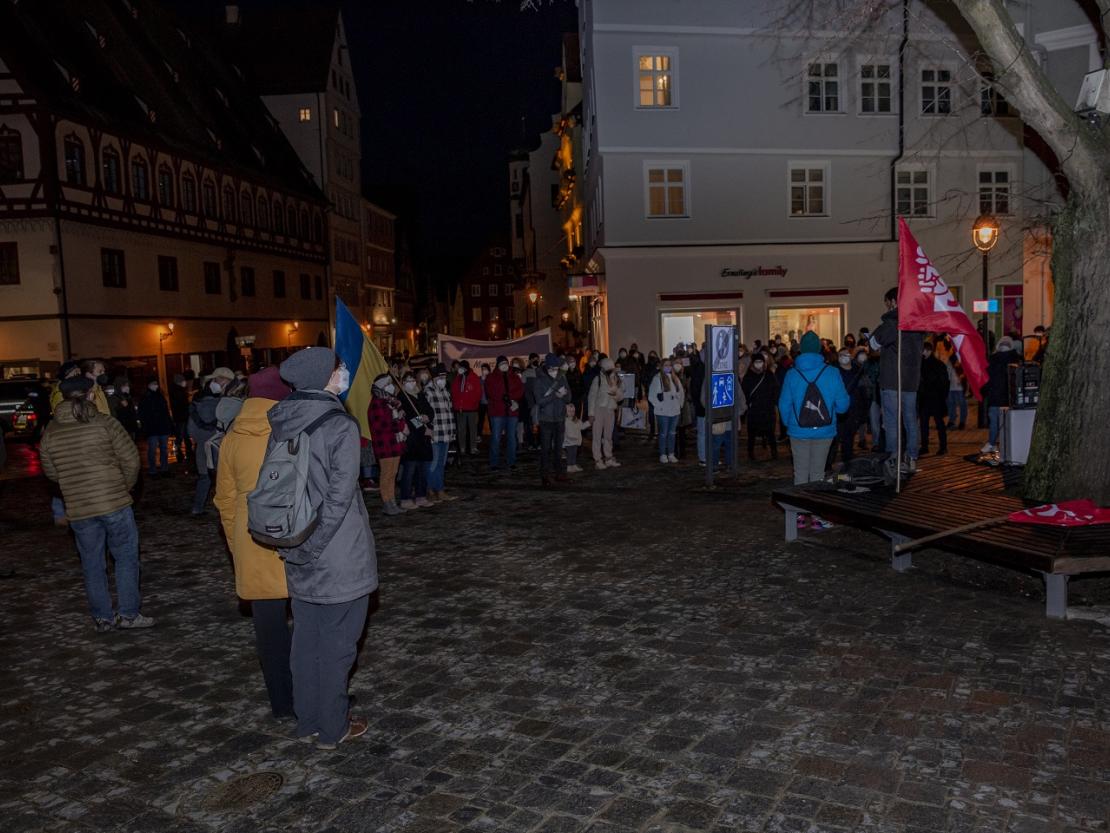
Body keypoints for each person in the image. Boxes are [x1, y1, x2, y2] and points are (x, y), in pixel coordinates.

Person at [268, 347, 376, 749]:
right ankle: (334, 727)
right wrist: (314, 547)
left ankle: (308, 720)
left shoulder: (282, 419)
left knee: (306, 640)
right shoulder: (339, 425)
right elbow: (339, 497)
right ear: (324, 376)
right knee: (337, 644)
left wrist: (298, 548)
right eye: (338, 367)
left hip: (294, 545)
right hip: (335, 553)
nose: (344, 371)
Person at [213, 366, 295, 722]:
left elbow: (225, 501)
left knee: (270, 633)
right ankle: (315, 695)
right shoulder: (292, 431)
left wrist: (237, 546)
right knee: (310, 627)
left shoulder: (233, 437)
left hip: (253, 540)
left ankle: (282, 703)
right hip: (296, 538)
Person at [40, 375, 152, 632]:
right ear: (90, 394)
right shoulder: (105, 423)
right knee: (125, 557)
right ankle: (129, 614)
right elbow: (132, 460)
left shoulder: (51, 432)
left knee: (91, 563)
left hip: (79, 508)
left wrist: (73, 484)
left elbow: (51, 472)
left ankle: (103, 618)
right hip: (114, 502)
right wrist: (125, 486)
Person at [778, 332, 849, 527]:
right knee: (818, 472)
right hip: (824, 431)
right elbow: (843, 405)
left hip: (798, 431)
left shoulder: (792, 373)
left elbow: (784, 403)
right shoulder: (832, 372)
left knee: (800, 472)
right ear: (819, 349)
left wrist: (788, 423)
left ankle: (800, 515)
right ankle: (818, 517)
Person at [870, 287, 924, 472]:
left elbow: (873, 343)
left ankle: (893, 457)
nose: (886, 307)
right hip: (911, 380)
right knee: (910, 419)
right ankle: (911, 457)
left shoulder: (892, 323)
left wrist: (887, 319)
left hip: (892, 380)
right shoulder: (916, 323)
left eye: (887, 303)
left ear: (893, 301)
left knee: (892, 420)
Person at [188, 367, 235, 515]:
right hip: (216, 445)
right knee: (219, 478)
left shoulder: (197, 401)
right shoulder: (219, 402)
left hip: (205, 446)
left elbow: (192, 429)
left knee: (205, 477)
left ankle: (198, 507)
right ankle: (224, 508)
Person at [368, 373, 408, 516]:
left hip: (394, 443)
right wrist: (398, 423)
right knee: (386, 474)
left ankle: (392, 501)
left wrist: (400, 420)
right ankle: (387, 502)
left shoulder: (391, 402)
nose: (391, 386)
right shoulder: (377, 403)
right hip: (384, 444)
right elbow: (382, 425)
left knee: (393, 474)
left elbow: (399, 420)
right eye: (387, 384)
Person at [533, 353, 572, 486]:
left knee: (558, 448)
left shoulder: (562, 377)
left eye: (557, 368)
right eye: (553, 369)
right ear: (548, 368)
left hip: (560, 418)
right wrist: (555, 395)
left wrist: (563, 396)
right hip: (546, 420)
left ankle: (559, 473)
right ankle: (545, 475)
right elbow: (540, 401)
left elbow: (569, 398)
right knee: (546, 449)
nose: (555, 371)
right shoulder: (539, 380)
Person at [397, 371, 434, 509]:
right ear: (403, 382)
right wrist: (420, 420)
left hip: (424, 440)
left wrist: (427, 418)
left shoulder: (420, 395)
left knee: (423, 470)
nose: (411, 382)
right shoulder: (401, 398)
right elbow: (406, 420)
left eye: (413, 380)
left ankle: (421, 495)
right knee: (409, 470)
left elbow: (430, 411)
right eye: (408, 380)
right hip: (412, 440)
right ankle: (405, 497)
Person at [424, 363, 458, 502]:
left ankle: (435, 488)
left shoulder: (445, 392)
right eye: (441, 376)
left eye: (445, 376)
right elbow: (423, 413)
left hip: (446, 433)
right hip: (435, 433)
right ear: (435, 377)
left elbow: (449, 413)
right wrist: (426, 429)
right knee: (434, 463)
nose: (443, 379)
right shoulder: (428, 391)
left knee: (441, 464)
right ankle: (434, 489)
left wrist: (452, 432)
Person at [484, 355, 524, 472]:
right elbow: (491, 392)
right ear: (498, 365)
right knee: (496, 437)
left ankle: (511, 461)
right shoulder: (491, 377)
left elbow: (520, 390)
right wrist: (505, 399)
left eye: (506, 363)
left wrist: (511, 399)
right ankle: (494, 462)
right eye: (502, 364)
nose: (504, 366)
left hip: (512, 412)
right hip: (497, 412)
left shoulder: (515, 377)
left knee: (511, 437)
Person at [981, 336, 1017, 454]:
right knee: (1007, 424)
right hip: (1009, 398)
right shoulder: (1016, 359)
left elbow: (986, 379)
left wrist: (985, 391)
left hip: (995, 397)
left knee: (994, 422)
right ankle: (1004, 445)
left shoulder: (992, 360)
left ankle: (992, 443)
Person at [740, 352, 778, 461]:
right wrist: (748, 403)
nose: (758, 364)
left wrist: (773, 402)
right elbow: (744, 391)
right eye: (756, 362)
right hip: (754, 409)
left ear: (764, 363)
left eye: (760, 362)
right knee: (752, 432)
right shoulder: (749, 376)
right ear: (753, 363)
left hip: (767, 409)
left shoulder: (769, 375)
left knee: (770, 432)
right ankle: (750, 452)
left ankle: (774, 452)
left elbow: (776, 389)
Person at [648, 356, 683, 464]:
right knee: (663, 433)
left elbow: (681, 393)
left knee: (672, 433)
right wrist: (659, 405)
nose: (668, 367)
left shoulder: (675, 378)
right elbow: (651, 396)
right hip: (663, 411)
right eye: (666, 365)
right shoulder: (657, 378)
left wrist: (679, 405)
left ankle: (671, 453)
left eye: (669, 365)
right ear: (662, 367)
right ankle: (663, 454)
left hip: (674, 410)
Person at [137, 377, 174, 476]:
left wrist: (169, 424)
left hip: (162, 427)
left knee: (163, 449)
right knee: (152, 450)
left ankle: (164, 469)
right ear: (149, 385)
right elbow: (142, 414)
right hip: (152, 429)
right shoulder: (145, 398)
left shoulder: (160, 396)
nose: (156, 386)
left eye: (156, 384)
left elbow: (165, 412)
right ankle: (153, 470)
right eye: (154, 384)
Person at [588, 358, 621, 468]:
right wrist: (591, 413)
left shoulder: (616, 379)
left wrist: (615, 394)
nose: (610, 370)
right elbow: (591, 397)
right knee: (597, 435)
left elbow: (621, 396)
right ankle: (597, 459)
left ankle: (608, 457)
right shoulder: (597, 379)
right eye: (607, 368)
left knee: (608, 435)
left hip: (610, 409)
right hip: (599, 409)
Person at [919, 342, 950, 456]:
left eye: (923, 350)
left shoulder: (936, 365)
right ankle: (927, 446)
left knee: (937, 423)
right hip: (929, 398)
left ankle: (941, 446)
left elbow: (944, 383)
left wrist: (942, 396)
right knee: (926, 423)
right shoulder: (924, 364)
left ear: (928, 351)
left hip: (934, 398)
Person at [449, 360, 481, 458]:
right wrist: (457, 405)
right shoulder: (457, 378)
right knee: (461, 429)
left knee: (473, 429)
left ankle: (473, 448)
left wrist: (474, 404)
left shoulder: (474, 377)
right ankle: (462, 448)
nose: (460, 370)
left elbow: (478, 393)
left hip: (472, 409)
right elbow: (453, 392)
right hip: (461, 409)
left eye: (462, 368)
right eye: (460, 368)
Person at [169, 373, 192, 464]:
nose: (185, 382)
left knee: (184, 434)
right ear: (179, 382)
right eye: (183, 381)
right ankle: (180, 451)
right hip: (181, 417)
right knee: (181, 434)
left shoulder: (178, 390)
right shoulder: (178, 391)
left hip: (181, 416)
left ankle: (187, 451)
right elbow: (182, 404)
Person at [946, 355, 967, 429]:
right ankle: (952, 421)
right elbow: (947, 372)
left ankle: (962, 422)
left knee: (962, 404)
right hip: (950, 387)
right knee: (951, 405)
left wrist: (962, 376)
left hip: (959, 387)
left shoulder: (961, 358)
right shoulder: (950, 359)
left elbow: (966, 371)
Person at [563, 403, 584, 473]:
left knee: (574, 454)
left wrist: (589, 423)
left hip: (575, 441)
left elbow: (582, 426)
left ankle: (573, 464)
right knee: (569, 454)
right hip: (568, 442)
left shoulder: (576, 420)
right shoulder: (565, 421)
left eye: (573, 411)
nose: (572, 413)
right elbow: (567, 432)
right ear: (566, 412)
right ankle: (569, 466)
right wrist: (572, 437)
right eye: (569, 411)